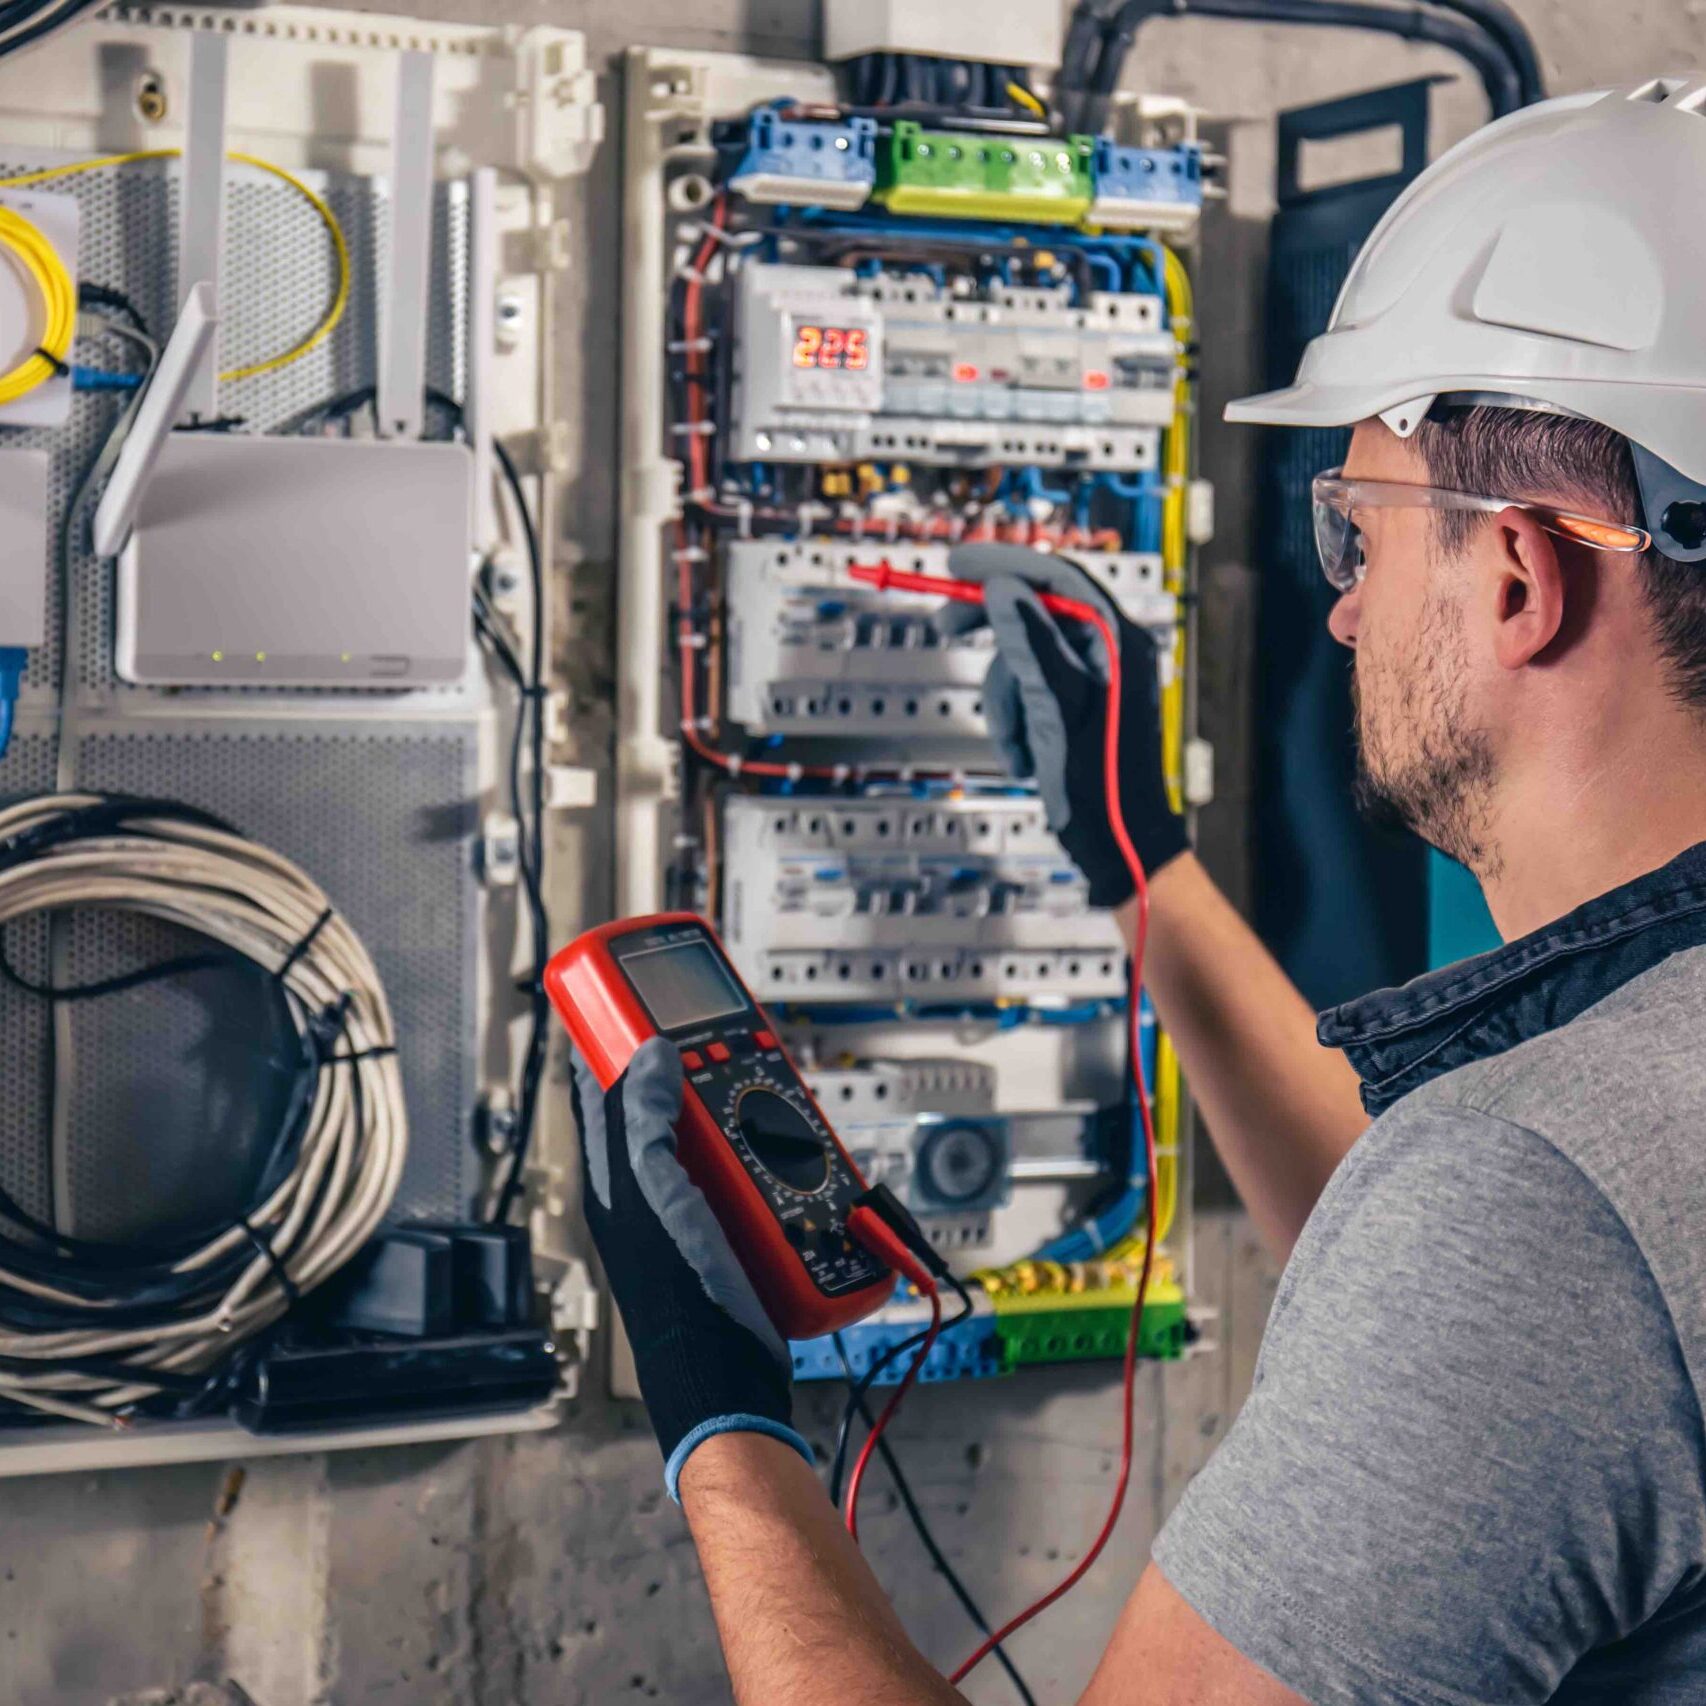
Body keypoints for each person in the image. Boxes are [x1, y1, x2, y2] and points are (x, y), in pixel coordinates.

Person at [573, 77, 1706, 1703]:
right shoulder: (1588, 1177)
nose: (1340, 614)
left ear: (1519, 573)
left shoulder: (1532, 1210)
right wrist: (1138, 863)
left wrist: (720, 1418)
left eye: (1356, 533)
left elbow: (1515, 1281)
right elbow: (1523, 1366)